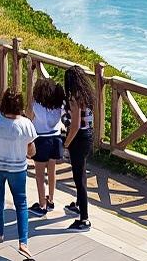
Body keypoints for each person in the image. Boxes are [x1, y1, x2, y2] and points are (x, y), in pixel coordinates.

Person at [0, 88, 37, 257]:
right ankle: (23, 242)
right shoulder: (26, 124)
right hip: (17, 169)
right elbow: (32, 152)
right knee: (21, 203)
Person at [62, 66, 96, 231]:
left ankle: (84, 219)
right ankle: (77, 204)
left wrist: (66, 144)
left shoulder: (74, 98)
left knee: (78, 178)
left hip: (78, 138)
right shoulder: (87, 95)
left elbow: (74, 126)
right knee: (81, 172)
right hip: (88, 135)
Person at [28, 78, 65, 216]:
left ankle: (42, 204)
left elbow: (28, 116)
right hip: (56, 139)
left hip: (41, 139)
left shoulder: (36, 105)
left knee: (39, 175)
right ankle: (51, 200)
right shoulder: (58, 106)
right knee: (51, 171)